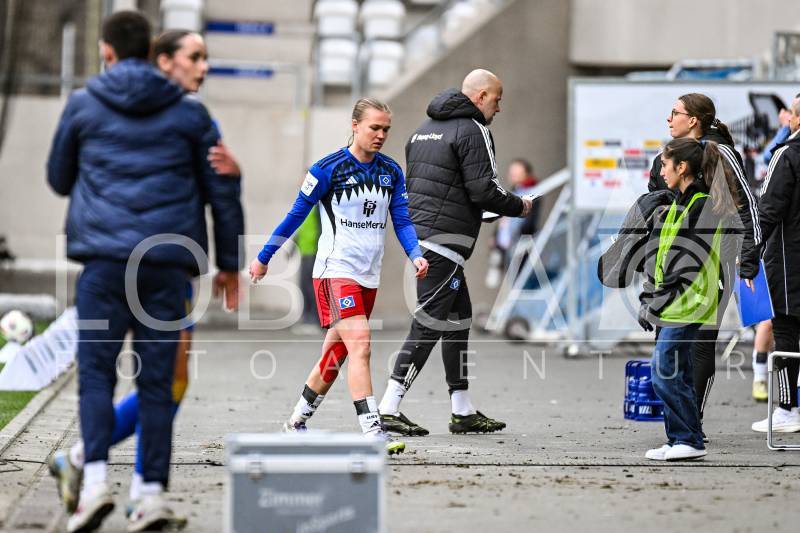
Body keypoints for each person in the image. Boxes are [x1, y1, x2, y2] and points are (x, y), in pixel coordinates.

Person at [46, 13, 243, 532]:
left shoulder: (82, 104)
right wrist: (230, 263)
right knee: (158, 382)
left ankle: (92, 486)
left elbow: (58, 178)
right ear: (154, 53)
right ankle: (148, 497)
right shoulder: (192, 115)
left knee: (96, 377)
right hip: (166, 268)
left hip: (103, 265)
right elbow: (219, 190)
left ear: (107, 51)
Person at [249, 97, 429, 455]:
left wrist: (416, 254)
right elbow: (295, 216)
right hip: (334, 272)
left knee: (334, 356)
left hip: (368, 276)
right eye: (374, 127)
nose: (381, 135)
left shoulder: (391, 172)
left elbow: (402, 220)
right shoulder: (326, 169)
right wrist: (264, 257)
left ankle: (295, 423)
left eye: (386, 129)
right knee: (361, 343)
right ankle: (373, 432)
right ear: (355, 125)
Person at [377, 69, 534, 436]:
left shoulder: (422, 130)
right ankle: (388, 406)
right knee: (429, 323)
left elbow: (443, 187)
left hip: (423, 238)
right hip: (446, 244)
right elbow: (484, 189)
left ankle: (462, 410)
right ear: (480, 97)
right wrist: (519, 206)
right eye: (496, 100)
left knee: (458, 321)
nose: (498, 108)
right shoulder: (473, 129)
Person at [646, 93, 760, 437]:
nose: (669, 119)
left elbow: (746, 207)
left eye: (675, 113)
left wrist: (748, 260)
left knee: (698, 342)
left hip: (713, 263)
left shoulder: (721, 152)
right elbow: (655, 205)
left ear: (693, 120)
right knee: (667, 344)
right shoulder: (666, 157)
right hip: (672, 263)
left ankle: (690, 424)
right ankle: (680, 424)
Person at [641, 138, 741, 461]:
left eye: (664, 165)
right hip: (676, 301)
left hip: (688, 302)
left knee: (663, 371)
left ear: (681, 167)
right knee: (678, 372)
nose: (661, 171)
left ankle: (687, 439)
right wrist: (649, 296)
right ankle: (682, 439)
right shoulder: (679, 203)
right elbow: (663, 254)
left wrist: (658, 299)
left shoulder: (701, 204)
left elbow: (687, 260)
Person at [751, 95, 800, 433]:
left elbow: (767, 210)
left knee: (784, 331)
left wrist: (748, 254)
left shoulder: (787, 154)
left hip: (789, 260)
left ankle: (786, 409)